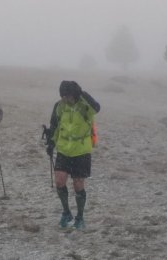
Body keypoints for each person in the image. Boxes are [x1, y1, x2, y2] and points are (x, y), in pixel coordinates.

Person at [46, 80, 100, 229]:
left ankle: (80, 217)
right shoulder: (59, 106)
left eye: (67, 96)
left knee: (78, 184)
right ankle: (66, 212)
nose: (65, 99)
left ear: (74, 95)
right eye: (62, 96)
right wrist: (51, 143)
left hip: (81, 150)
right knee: (59, 181)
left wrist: (82, 93)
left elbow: (97, 107)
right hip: (64, 149)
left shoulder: (85, 106)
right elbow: (54, 126)